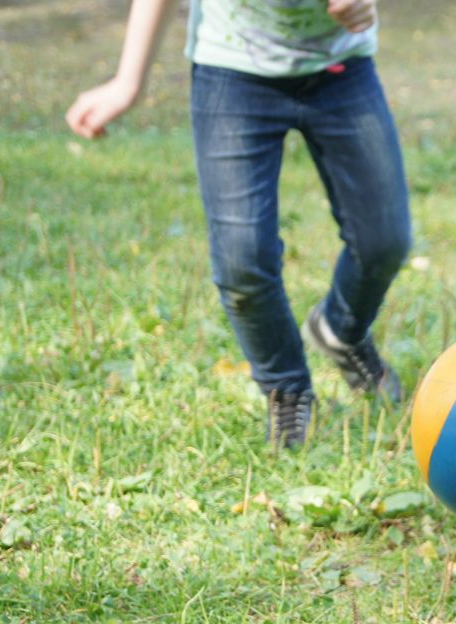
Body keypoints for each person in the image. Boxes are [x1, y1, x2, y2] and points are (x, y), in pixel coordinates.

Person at [66, 0, 412, 448]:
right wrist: (128, 81)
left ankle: (340, 331)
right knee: (241, 261)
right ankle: (285, 385)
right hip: (232, 76)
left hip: (341, 69)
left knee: (385, 240)